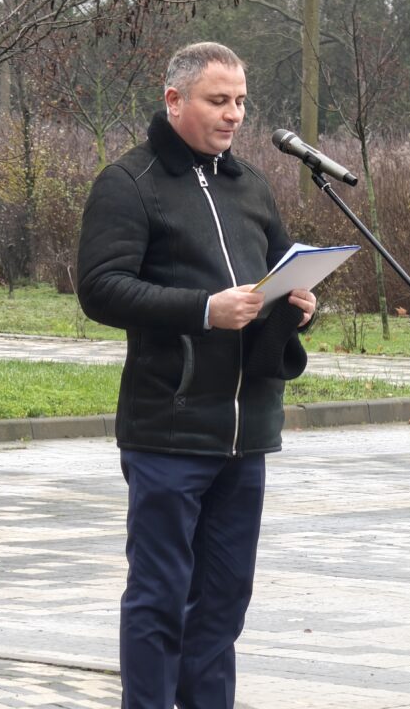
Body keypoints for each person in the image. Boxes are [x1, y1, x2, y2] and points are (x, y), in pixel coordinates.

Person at [76, 42, 316, 709]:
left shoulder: (252, 186)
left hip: (247, 430)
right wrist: (204, 310)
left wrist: (301, 305)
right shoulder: (129, 183)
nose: (234, 114)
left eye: (240, 101)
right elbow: (100, 288)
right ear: (174, 99)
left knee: (224, 600)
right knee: (159, 598)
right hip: (169, 427)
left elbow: (280, 274)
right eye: (219, 100)